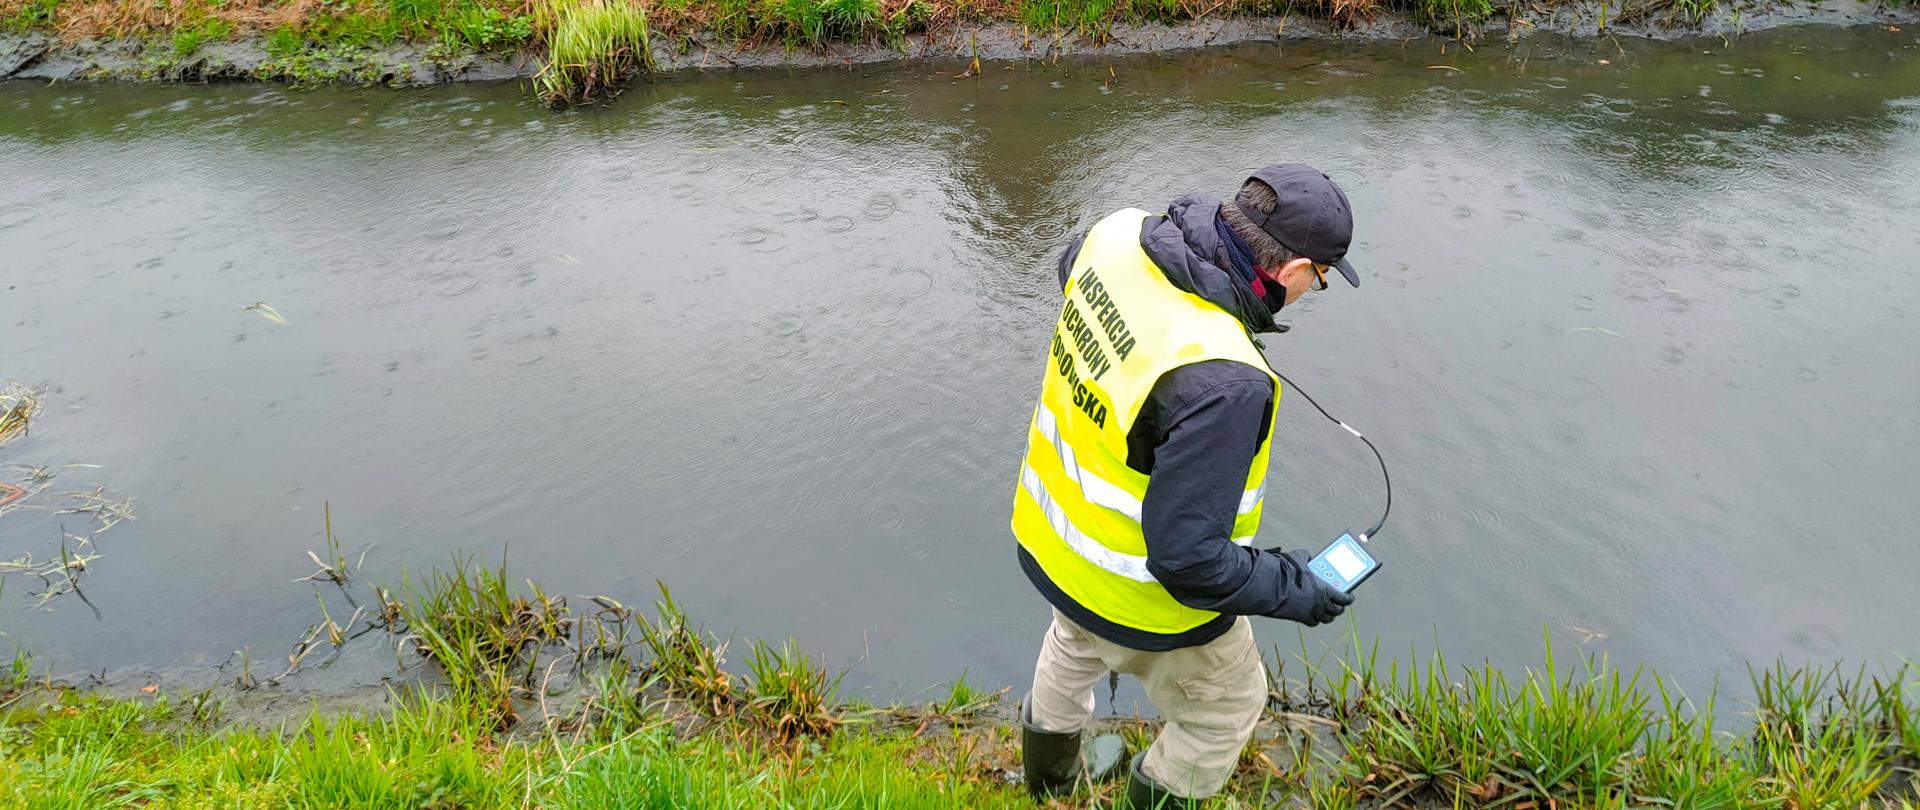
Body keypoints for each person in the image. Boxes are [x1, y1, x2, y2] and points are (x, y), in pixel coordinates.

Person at [1011, 165, 1363, 808]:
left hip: (1056, 541)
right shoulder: (1225, 380)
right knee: (1227, 707)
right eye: (1320, 278)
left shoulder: (1116, 235)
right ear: (1291, 273)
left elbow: (1074, 280)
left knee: (1071, 640)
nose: (1314, 290)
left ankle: (1046, 785)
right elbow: (1188, 560)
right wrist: (1296, 587)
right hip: (1138, 595)